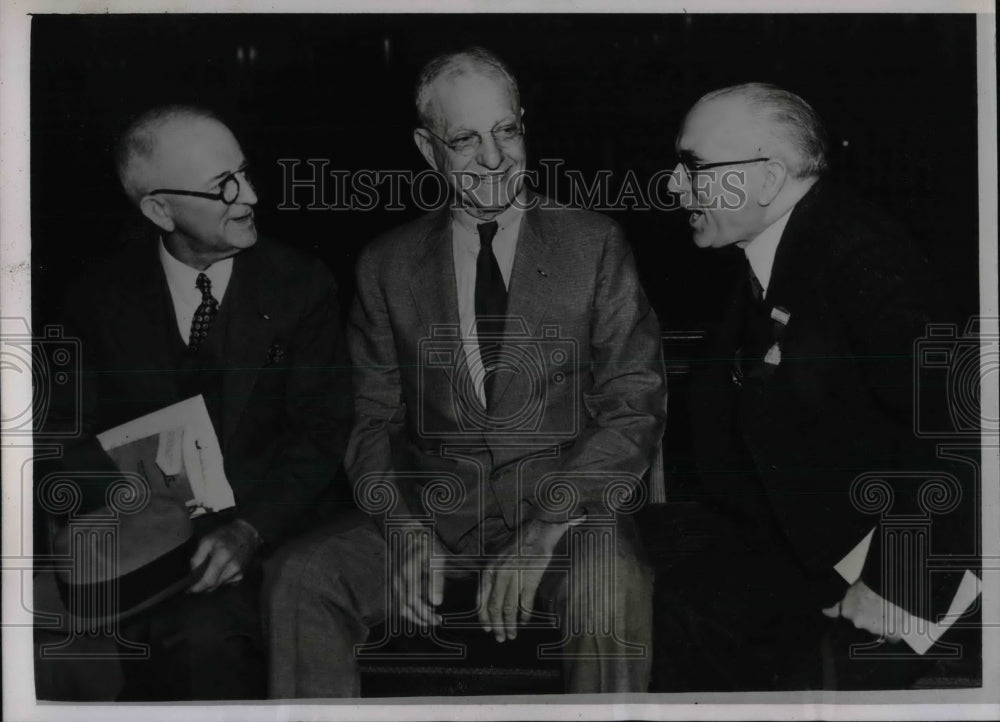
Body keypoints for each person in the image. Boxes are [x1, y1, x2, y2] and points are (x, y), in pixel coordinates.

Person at [267, 47, 667, 697]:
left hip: (563, 516)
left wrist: (544, 527)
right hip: (435, 517)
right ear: (428, 149)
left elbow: (635, 402)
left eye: (507, 130)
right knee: (302, 577)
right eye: (465, 140)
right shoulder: (386, 265)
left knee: (609, 587)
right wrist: (404, 531)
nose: (494, 158)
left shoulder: (594, 244)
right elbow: (369, 419)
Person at [652, 83, 979, 690]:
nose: (673, 185)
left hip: (919, 565)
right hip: (825, 547)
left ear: (769, 178)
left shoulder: (863, 257)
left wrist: (896, 584)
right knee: (684, 604)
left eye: (693, 167)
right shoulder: (770, 256)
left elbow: (956, 430)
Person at [34, 105, 352, 700]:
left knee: (205, 642)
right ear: (160, 210)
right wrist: (147, 512)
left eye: (244, 173)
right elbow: (62, 441)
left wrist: (250, 530)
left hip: (277, 531)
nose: (250, 196)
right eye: (222, 186)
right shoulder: (95, 298)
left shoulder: (301, 283)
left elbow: (323, 432)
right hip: (150, 545)